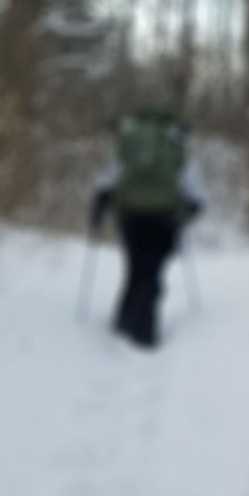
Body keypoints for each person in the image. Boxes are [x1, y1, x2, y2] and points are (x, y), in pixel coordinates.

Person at [89, 107, 204, 349]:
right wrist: (189, 210)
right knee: (152, 272)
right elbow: (191, 189)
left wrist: (99, 208)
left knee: (134, 269)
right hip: (164, 217)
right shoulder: (175, 142)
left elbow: (110, 178)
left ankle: (123, 322)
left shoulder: (129, 142)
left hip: (131, 215)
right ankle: (145, 333)